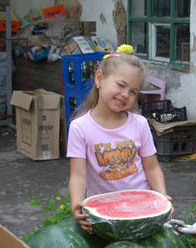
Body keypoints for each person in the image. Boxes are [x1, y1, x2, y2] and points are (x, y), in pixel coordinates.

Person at [67, 45, 171, 233]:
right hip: (104, 214)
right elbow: (78, 175)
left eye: (133, 92)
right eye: (121, 85)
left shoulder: (139, 123)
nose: (125, 95)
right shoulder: (80, 128)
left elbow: (152, 166)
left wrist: (162, 196)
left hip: (142, 207)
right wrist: (77, 204)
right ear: (99, 78)